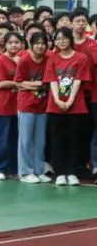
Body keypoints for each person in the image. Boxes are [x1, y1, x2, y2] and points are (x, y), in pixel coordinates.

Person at [44, 27, 91, 185]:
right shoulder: (52, 58)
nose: (61, 41)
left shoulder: (81, 58)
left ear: (70, 39)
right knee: (57, 140)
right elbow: (52, 81)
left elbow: (78, 80)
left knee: (73, 139)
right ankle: (60, 173)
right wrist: (57, 100)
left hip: (76, 105)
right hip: (55, 105)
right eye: (57, 39)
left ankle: (71, 172)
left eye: (64, 38)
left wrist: (70, 100)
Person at [15, 32, 51, 183]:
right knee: (25, 140)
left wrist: (28, 85)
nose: (40, 46)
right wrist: (37, 84)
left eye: (43, 43)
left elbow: (50, 81)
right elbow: (18, 82)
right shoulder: (24, 60)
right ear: (31, 44)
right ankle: (25, 172)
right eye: (37, 43)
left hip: (43, 106)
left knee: (40, 140)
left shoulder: (49, 60)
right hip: (26, 106)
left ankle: (38, 170)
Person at [0, 32, 22, 180]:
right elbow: (1, 83)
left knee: (16, 138)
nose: (14, 45)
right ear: (5, 44)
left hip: (20, 106)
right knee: (1, 137)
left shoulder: (23, 60)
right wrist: (21, 84)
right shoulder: (0, 61)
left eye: (17, 42)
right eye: (11, 42)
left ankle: (13, 168)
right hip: (3, 105)